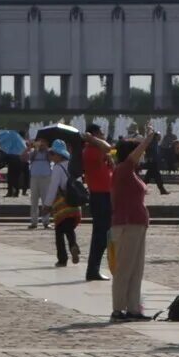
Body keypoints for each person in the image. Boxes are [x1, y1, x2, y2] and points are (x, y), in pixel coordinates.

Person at [109, 124, 156, 321]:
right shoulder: (123, 169)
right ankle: (118, 309)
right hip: (128, 224)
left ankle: (133, 308)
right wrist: (148, 138)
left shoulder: (129, 173)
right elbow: (133, 157)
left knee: (136, 270)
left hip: (136, 224)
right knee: (124, 269)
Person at [82, 124, 114, 283]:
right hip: (99, 196)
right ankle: (92, 270)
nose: (103, 135)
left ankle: (95, 268)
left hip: (105, 195)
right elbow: (108, 147)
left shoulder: (97, 150)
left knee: (104, 234)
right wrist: (92, 139)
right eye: (101, 133)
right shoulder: (91, 150)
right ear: (94, 134)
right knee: (100, 236)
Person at [52, 148, 86, 270]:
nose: (51, 157)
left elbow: (53, 187)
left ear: (59, 155)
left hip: (63, 205)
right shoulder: (73, 165)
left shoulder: (57, 168)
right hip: (75, 204)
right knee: (70, 229)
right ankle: (73, 245)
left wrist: (46, 204)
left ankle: (62, 259)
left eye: (53, 154)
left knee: (59, 232)